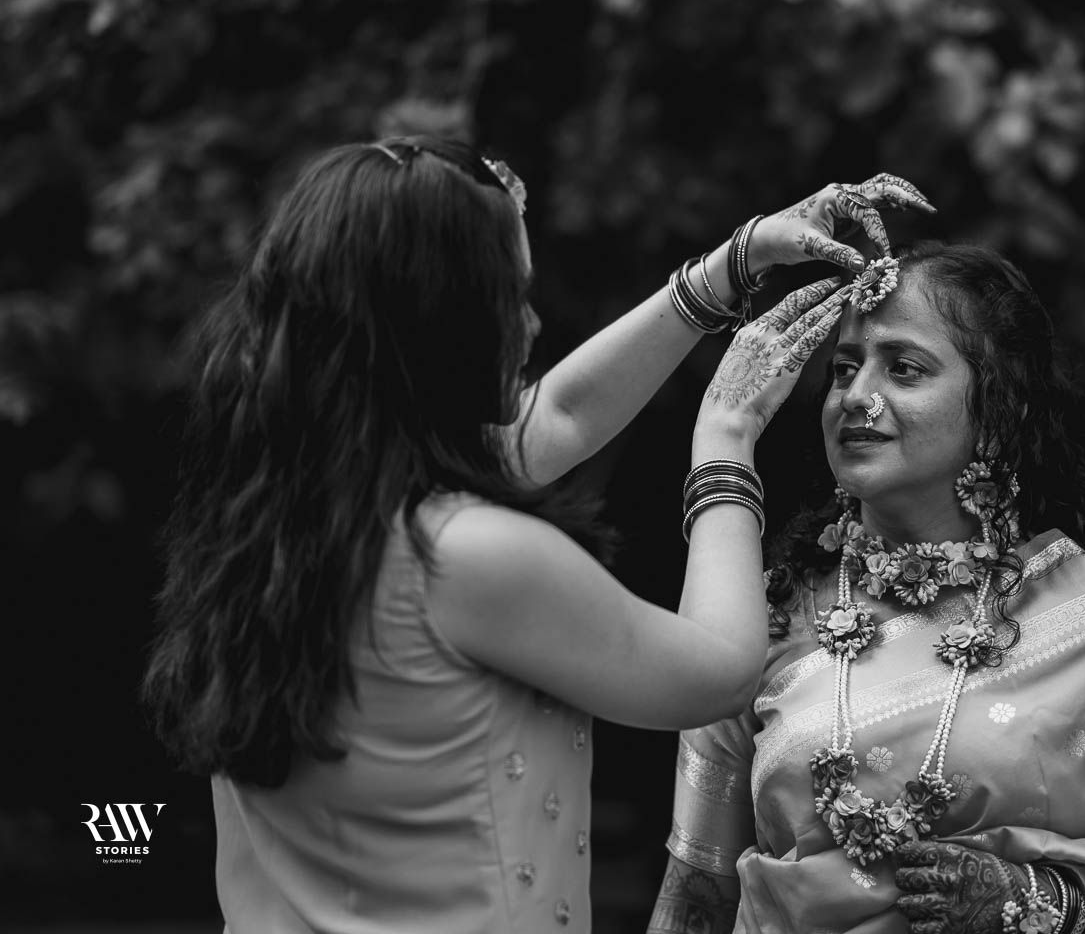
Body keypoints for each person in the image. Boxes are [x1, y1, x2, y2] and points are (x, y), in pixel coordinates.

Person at [139, 134, 934, 933]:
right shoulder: (468, 555)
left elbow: (558, 416)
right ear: (440, 321)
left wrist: (738, 261)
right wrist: (725, 440)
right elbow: (720, 671)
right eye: (510, 295)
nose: (530, 322)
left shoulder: (284, 511)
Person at [649, 242, 1085, 934]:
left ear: (1002, 406)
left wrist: (1042, 902)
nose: (857, 396)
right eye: (844, 369)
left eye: (904, 368)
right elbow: (696, 893)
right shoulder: (763, 620)